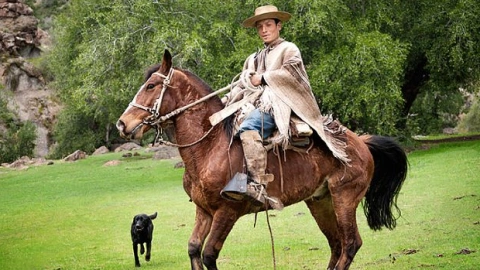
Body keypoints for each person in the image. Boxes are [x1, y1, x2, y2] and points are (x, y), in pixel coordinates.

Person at [215, 5, 349, 208]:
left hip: (279, 104)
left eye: (268, 25)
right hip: (253, 103)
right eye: (260, 27)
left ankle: (257, 185)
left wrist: (264, 78)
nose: (264, 30)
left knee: (250, 127)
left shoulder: (289, 49)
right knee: (228, 128)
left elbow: (293, 76)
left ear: (279, 26)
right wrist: (226, 101)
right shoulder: (253, 58)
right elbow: (241, 85)